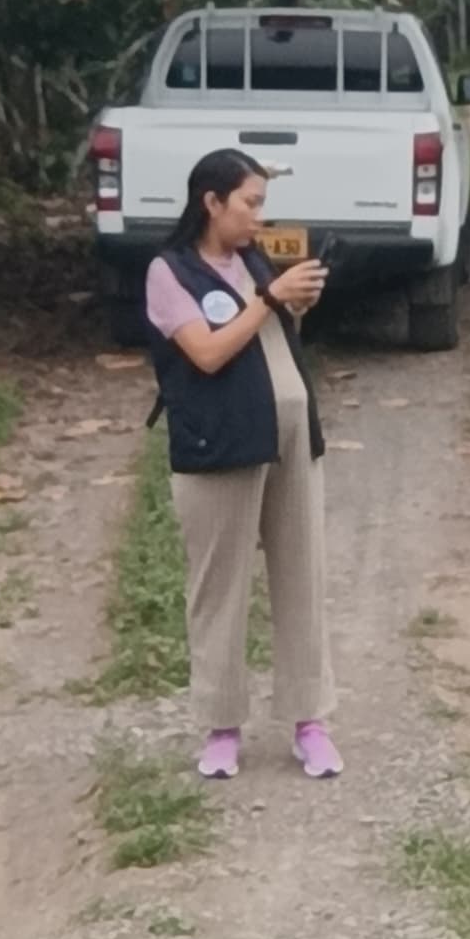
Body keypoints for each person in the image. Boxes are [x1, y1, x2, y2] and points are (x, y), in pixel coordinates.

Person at [143, 148, 341, 781]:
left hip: (291, 439)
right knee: (219, 588)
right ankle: (222, 726)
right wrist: (270, 297)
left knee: (302, 576)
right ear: (212, 202)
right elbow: (206, 353)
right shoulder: (169, 272)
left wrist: (294, 301)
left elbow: (273, 334)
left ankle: (309, 722)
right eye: (249, 203)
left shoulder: (252, 259)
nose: (259, 216)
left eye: (262, 203)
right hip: (219, 444)